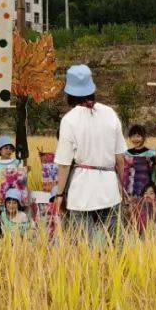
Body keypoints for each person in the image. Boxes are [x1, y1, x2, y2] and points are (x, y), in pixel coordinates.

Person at [53, 64, 126, 242]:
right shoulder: (110, 113)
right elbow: (120, 159)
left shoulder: (69, 120)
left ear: (69, 93)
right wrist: (120, 186)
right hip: (109, 188)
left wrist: (60, 195)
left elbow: (64, 164)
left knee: (85, 245)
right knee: (116, 245)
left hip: (81, 191)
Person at [0, 132, 28, 202]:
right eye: (6, 148)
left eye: (10, 148)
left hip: (13, 199)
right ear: (0, 150)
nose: (8, 150)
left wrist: (26, 165)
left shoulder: (16, 162)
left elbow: (23, 175)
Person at [121, 124, 156, 202]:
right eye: (133, 136)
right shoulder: (127, 153)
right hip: (130, 188)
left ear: (143, 137)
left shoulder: (150, 153)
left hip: (146, 189)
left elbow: (154, 172)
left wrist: (150, 163)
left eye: (138, 136)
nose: (135, 139)